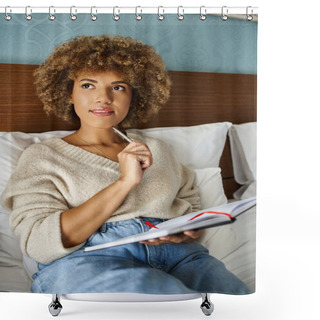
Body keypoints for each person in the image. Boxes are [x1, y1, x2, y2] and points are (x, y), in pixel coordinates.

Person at [1, 35, 249, 294]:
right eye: (88, 85)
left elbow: (189, 201)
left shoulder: (157, 150)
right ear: (68, 94)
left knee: (233, 300)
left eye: (118, 87)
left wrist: (185, 230)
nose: (103, 98)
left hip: (182, 257)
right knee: (163, 297)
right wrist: (125, 182)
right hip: (91, 259)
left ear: (133, 97)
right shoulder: (43, 157)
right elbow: (40, 243)